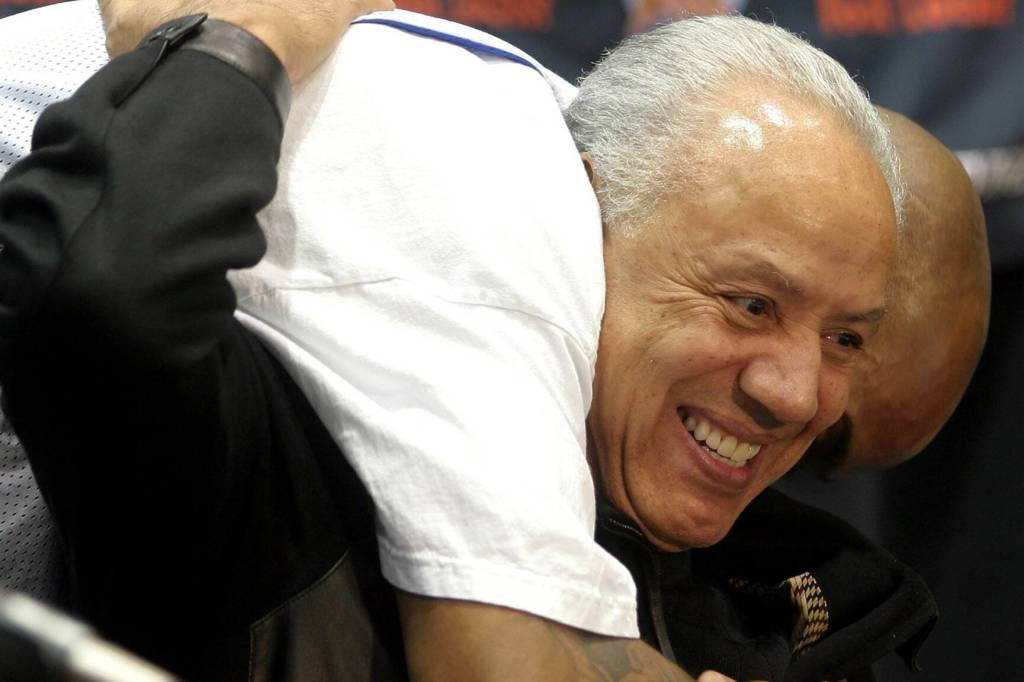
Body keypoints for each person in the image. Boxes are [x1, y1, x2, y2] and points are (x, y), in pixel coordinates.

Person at [0, 1, 906, 680]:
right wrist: (237, 43)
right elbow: (102, 300)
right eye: (750, 304)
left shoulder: (808, 600)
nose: (796, 394)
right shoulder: (296, 467)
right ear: (576, 217)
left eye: (845, 338)